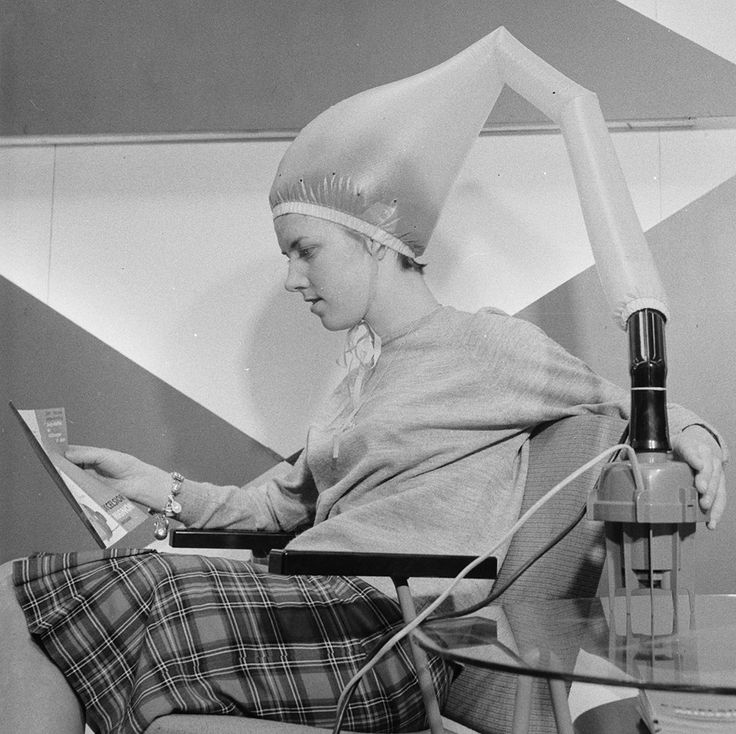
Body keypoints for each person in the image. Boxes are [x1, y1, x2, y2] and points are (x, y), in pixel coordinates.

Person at [1, 29, 728, 734]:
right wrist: (157, 485)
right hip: (312, 606)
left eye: (305, 250)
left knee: (50, 595)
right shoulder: (355, 377)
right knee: (17, 593)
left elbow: (635, 405)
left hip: (389, 637)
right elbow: (279, 505)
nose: (294, 278)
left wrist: (697, 434)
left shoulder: (487, 344)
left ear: (377, 238)